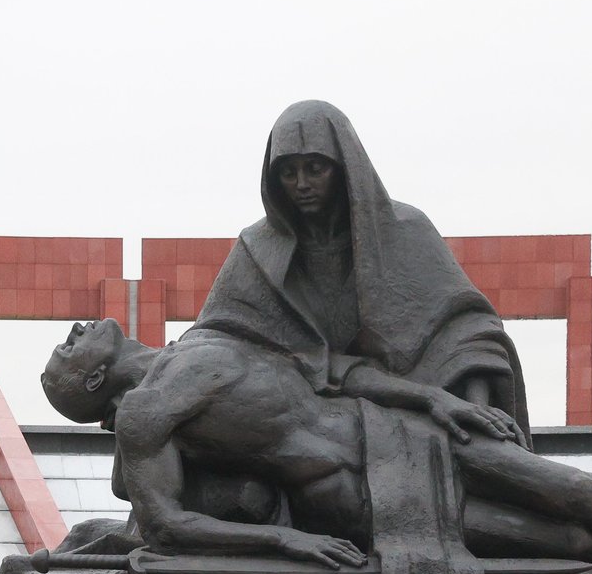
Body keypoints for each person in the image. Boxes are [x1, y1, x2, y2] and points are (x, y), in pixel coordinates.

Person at [41, 317, 592, 574]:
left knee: (582, 489)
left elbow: (340, 371)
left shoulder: (210, 333)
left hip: (397, 430)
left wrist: (434, 401)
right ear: (93, 384)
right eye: (66, 352)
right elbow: (166, 528)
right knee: (554, 536)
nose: (72, 332)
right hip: (355, 497)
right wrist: (286, 542)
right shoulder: (144, 416)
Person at [193, 99, 530, 450]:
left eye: (315, 168)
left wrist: (476, 419)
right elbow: (210, 340)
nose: (301, 183)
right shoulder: (257, 251)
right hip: (304, 422)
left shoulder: (406, 231)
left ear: (344, 167)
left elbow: (470, 336)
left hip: (410, 411)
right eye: (288, 172)